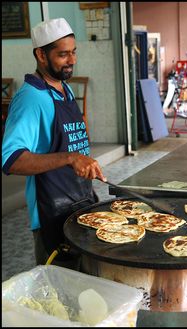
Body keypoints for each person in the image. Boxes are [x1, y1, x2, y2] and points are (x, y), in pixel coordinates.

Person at [2, 18, 107, 269]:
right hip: (52, 215)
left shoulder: (63, 90)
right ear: (41, 55)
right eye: (62, 54)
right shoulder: (31, 98)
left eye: (73, 52)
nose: (71, 60)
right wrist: (70, 158)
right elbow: (10, 159)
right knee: (61, 296)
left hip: (79, 203)